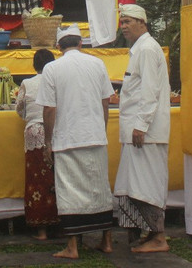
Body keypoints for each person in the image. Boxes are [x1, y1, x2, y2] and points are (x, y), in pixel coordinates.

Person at [36, 24, 115, 259]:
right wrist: (100, 129)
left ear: (58, 47)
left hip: (68, 138)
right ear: (81, 44)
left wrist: (48, 141)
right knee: (100, 188)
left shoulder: (52, 69)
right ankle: (107, 240)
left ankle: (72, 246)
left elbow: (49, 109)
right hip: (94, 136)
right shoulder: (97, 64)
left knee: (69, 192)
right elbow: (105, 102)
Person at [113, 3, 171, 253]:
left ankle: (159, 237)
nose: (123, 26)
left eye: (128, 22)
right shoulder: (140, 49)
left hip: (145, 133)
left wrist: (141, 125)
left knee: (146, 185)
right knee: (134, 185)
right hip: (139, 132)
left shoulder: (147, 49)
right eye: (122, 22)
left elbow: (150, 92)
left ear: (142, 23)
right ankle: (150, 234)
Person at [14, 48, 59, 239]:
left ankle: (41, 230)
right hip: (57, 131)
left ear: (34, 65)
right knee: (58, 178)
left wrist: (29, 116)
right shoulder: (58, 80)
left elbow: (19, 108)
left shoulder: (27, 83)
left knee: (38, 180)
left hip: (35, 133)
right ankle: (64, 224)